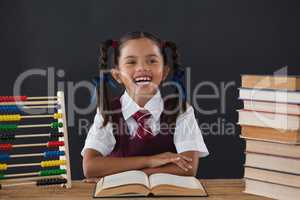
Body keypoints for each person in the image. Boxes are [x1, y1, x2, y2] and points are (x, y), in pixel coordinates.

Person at [81, 31, 209, 179]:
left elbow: (188, 168)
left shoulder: (181, 111)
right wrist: (150, 161)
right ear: (117, 75)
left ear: (165, 72)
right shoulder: (108, 112)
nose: (142, 68)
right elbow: (90, 167)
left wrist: (123, 175)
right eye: (131, 62)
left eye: (152, 61)